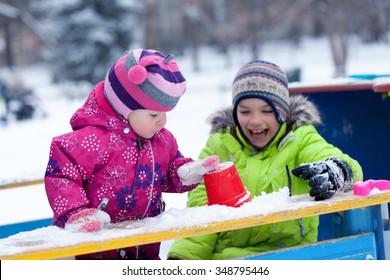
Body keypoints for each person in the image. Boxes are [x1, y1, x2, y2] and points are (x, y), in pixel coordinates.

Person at [167, 60, 363, 260]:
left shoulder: (300, 138)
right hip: (228, 259)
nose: (255, 121)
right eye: (244, 111)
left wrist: (339, 170)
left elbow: (339, 161)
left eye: (267, 111)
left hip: (292, 257)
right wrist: (183, 259)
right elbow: (202, 211)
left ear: (282, 112)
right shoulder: (220, 146)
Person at [44, 49, 219, 260]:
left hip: (144, 249)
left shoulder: (162, 140)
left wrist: (185, 172)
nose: (162, 121)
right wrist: (76, 213)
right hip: (93, 251)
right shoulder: (91, 140)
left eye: (164, 113)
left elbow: (168, 172)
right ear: (124, 107)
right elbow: (61, 174)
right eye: (154, 114)